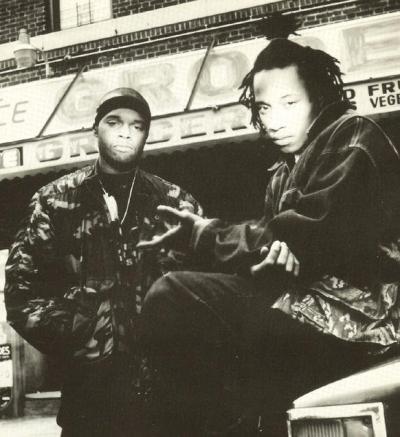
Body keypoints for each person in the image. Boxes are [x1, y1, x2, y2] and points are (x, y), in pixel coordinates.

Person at [138, 26, 400, 436]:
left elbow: (306, 233)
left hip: (363, 327)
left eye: (289, 103)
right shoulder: (282, 172)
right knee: (178, 303)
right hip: (307, 316)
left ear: (317, 98)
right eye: (264, 108)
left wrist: (206, 235)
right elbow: (279, 247)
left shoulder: (352, 136)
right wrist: (269, 261)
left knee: (173, 296)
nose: (274, 120)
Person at [4, 87, 203, 437]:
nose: (126, 132)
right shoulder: (54, 200)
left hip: (167, 400)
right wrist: (78, 329)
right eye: (114, 122)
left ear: (146, 135)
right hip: (89, 400)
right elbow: (21, 294)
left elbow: (207, 289)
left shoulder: (176, 203)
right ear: (94, 129)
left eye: (137, 126)